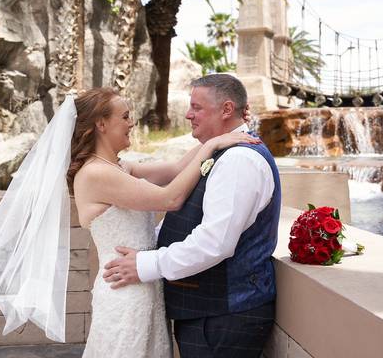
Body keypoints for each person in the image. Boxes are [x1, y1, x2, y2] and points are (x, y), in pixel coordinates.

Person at [0, 86, 259, 358]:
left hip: (144, 288)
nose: (132, 123)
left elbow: (176, 168)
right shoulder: (95, 174)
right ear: (101, 124)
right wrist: (211, 146)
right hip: (125, 295)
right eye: (125, 116)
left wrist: (222, 135)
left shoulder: (117, 167)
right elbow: (170, 198)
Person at [103, 74, 282, 358]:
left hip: (224, 315)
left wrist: (145, 264)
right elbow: (175, 177)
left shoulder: (238, 160)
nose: (188, 114)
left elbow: (214, 243)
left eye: (197, 107)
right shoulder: (217, 150)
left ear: (225, 110)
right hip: (209, 312)